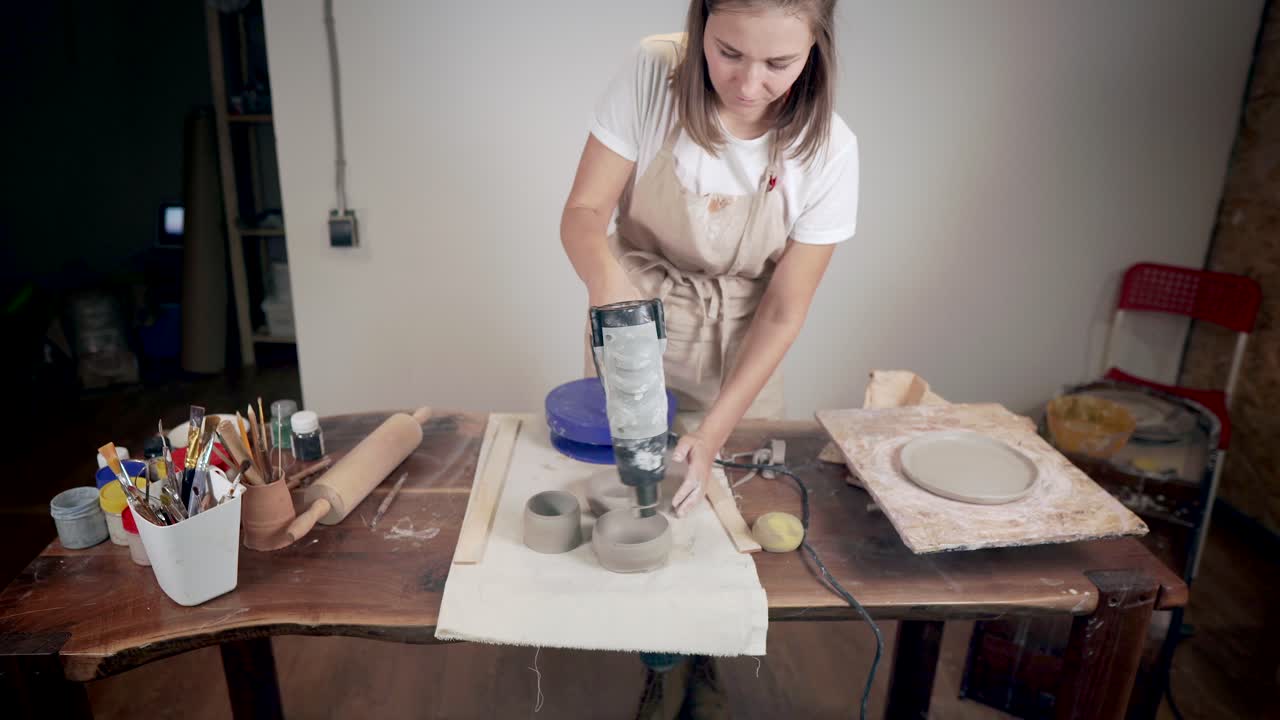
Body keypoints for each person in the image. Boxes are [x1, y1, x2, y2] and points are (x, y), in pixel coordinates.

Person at [560, 0, 856, 716]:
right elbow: (582, 216)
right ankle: (661, 665)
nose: (749, 83)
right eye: (728, 52)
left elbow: (786, 310)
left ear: (815, 48)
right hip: (639, 312)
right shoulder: (652, 74)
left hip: (746, 342)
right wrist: (615, 301)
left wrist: (715, 430)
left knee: (725, 514)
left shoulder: (829, 150)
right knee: (641, 497)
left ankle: (709, 667)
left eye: (779, 64)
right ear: (698, 28)